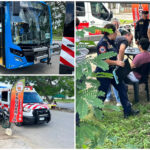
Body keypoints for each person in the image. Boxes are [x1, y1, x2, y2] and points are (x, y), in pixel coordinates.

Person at [95, 23, 139, 118]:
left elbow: (117, 53)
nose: (117, 34)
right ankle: (98, 112)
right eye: (116, 32)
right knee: (102, 93)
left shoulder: (112, 42)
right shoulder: (102, 44)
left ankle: (128, 110)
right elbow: (103, 60)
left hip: (113, 72)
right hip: (103, 72)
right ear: (112, 32)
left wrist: (119, 60)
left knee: (122, 88)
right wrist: (117, 63)